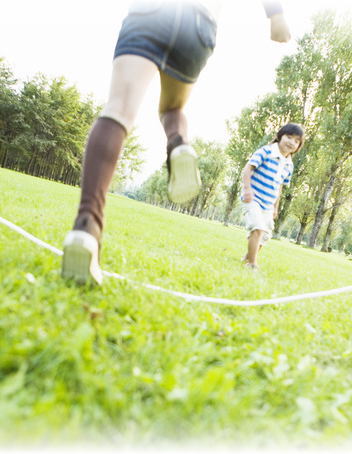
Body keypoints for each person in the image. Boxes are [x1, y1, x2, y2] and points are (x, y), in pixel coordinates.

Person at [62, 0, 293, 285]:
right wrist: (275, 14)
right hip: (200, 21)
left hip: (151, 9)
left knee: (119, 110)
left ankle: (87, 225)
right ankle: (178, 142)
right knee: (172, 108)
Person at [241, 123, 305, 269]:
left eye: (296, 141)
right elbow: (248, 167)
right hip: (253, 198)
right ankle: (252, 264)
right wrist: (247, 188)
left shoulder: (289, 164)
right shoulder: (267, 151)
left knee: (265, 234)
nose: (292, 142)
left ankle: (247, 257)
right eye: (289, 137)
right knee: (258, 228)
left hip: (268, 204)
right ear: (279, 136)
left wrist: (276, 206)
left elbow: (279, 186)